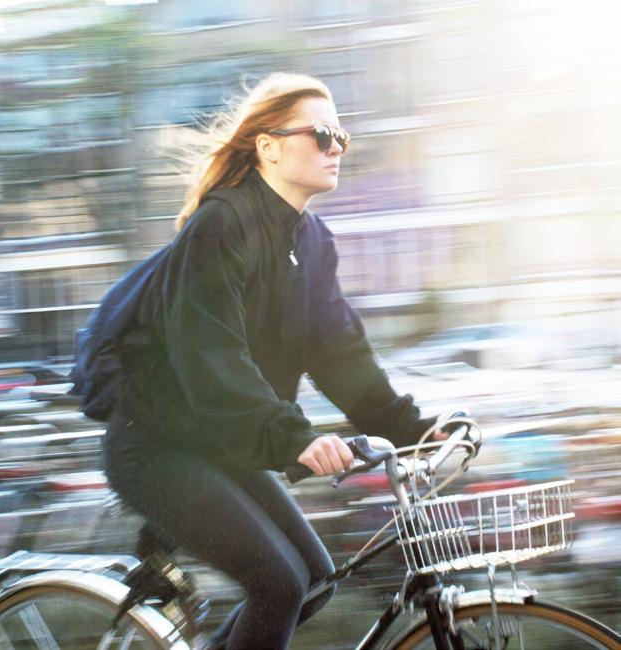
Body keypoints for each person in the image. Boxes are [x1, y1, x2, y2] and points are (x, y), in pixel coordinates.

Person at [103, 72, 441, 650]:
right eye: (322, 134)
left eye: (342, 136)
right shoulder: (221, 225)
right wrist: (292, 439)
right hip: (155, 446)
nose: (336, 147)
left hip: (223, 445)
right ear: (269, 147)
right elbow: (212, 357)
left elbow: (340, 355)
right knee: (280, 583)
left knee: (316, 579)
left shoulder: (312, 242)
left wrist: (414, 429)